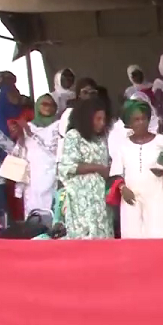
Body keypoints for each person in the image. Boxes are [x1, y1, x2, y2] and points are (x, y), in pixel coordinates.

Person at [107, 100, 163, 239]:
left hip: (158, 197)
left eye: (144, 118)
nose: (141, 123)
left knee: (161, 238)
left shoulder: (161, 141)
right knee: (134, 240)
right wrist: (122, 188)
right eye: (136, 120)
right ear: (129, 123)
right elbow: (115, 173)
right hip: (132, 199)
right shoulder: (123, 145)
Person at [58, 97, 113, 239]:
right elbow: (68, 166)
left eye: (103, 119)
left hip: (100, 199)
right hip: (81, 198)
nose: (102, 123)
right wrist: (99, 168)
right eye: (98, 119)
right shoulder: (74, 136)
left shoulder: (100, 139)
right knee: (84, 236)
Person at [19, 94, 60, 217]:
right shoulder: (29, 126)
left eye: (51, 105)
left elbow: (51, 148)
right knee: (32, 208)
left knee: (51, 208)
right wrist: (21, 136)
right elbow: (20, 150)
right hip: (32, 175)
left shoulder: (58, 125)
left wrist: (30, 133)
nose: (48, 107)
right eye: (44, 104)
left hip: (51, 172)